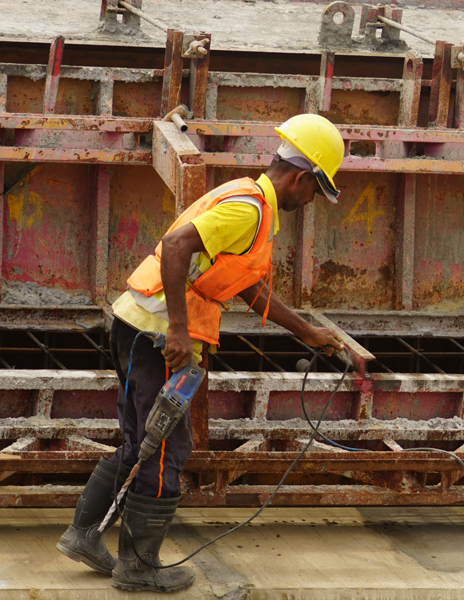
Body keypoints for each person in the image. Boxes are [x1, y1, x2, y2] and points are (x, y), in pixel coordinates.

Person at [56, 114, 347, 593]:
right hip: (156, 337)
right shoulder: (249, 210)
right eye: (316, 191)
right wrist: (176, 330)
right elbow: (175, 245)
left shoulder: (247, 199)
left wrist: (305, 331)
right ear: (301, 177)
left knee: (140, 441)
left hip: (134, 323)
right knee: (167, 448)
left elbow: (244, 284)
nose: (311, 201)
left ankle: (83, 535)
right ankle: (139, 566)